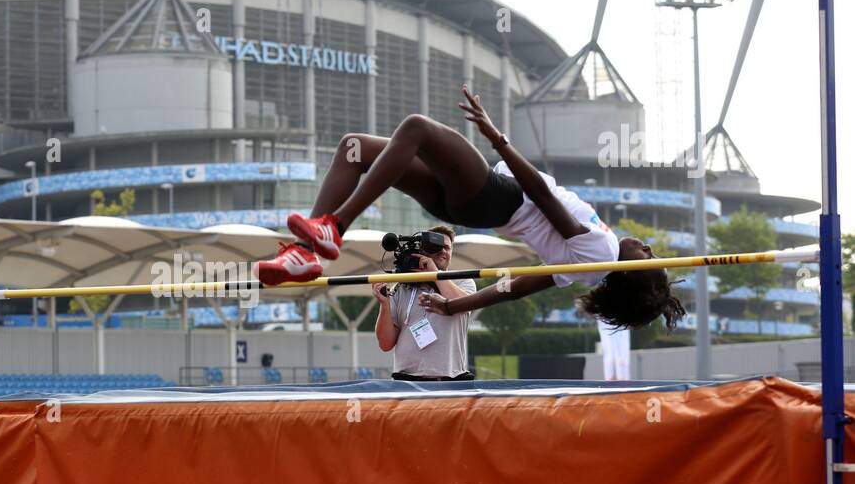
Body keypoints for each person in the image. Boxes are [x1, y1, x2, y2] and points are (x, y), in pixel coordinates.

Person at [257, 86, 685, 331]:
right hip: (471, 206)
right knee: (355, 149)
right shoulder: (586, 265)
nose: (646, 246)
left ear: (634, 274)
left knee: (417, 128)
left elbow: (540, 195)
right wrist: (455, 306)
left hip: (497, 196)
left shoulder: (604, 253)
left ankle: (334, 229)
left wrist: (497, 138)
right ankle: (304, 254)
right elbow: (514, 287)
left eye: (649, 257)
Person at [371, 225, 477, 380]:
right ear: (423, 250)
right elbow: (385, 344)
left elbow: (462, 304)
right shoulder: (402, 287)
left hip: (449, 380)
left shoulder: (462, 280)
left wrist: (434, 274)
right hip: (406, 380)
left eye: (447, 248)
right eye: (437, 247)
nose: (443, 251)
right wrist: (384, 305)